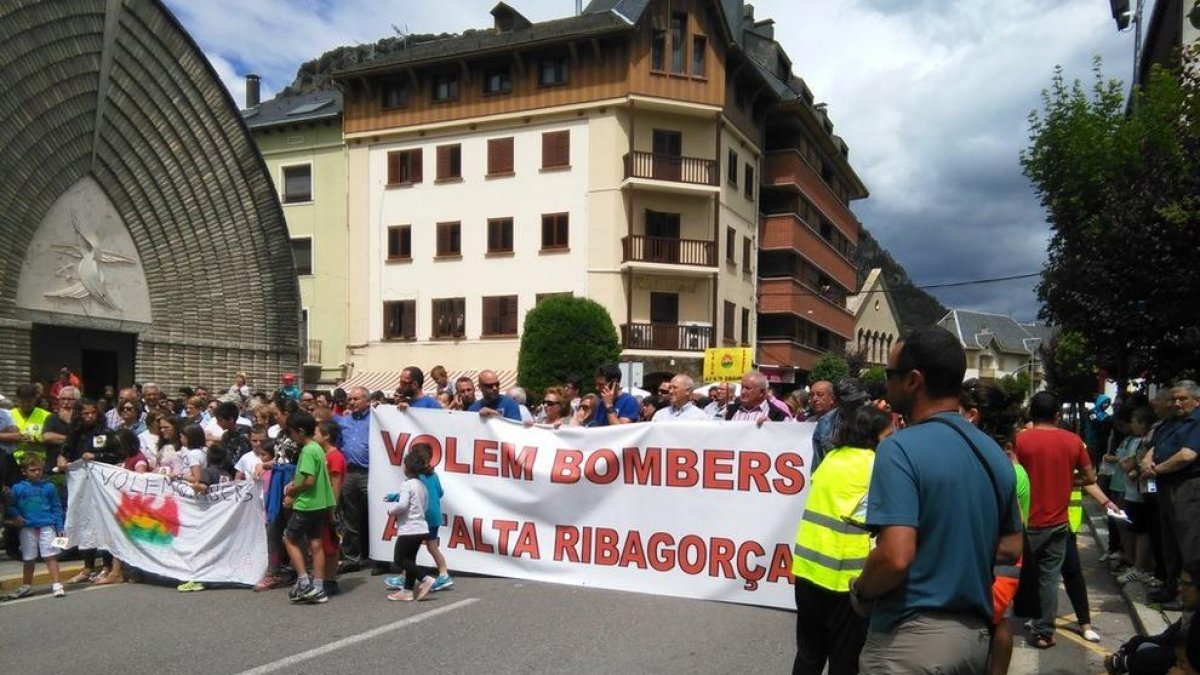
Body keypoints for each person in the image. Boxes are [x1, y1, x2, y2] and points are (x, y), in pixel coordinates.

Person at [851, 326, 1022, 674]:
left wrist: (862, 591)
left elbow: (895, 557)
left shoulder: (899, 448)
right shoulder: (993, 453)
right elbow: (1012, 546)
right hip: (973, 640)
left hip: (911, 643)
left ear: (913, 380)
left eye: (889, 374)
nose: (886, 384)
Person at [792, 405, 893, 675]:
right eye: (887, 435)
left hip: (807, 568)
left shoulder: (831, 458)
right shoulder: (878, 465)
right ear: (873, 436)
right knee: (845, 659)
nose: (891, 441)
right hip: (847, 577)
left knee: (809, 653)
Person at [1015, 390, 1096, 649]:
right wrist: (1070, 480)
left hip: (1026, 523)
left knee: (1017, 575)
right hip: (1059, 523)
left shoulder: (1020, 441)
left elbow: (1011, 475)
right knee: (1049, 578)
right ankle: (1043, 632)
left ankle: (1009, 620)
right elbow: (1091, 477)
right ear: (1058, 416)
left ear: (1030, 414)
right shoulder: (1073, 441)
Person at [1141, 380, 1200, 605]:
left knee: (1189, 543)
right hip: (1167, 487)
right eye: (1174, 399)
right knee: (1169, 542)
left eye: (1182, 399)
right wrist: (1147, 460)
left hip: (1187, 488)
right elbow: (1155, 445)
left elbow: (1187, 455)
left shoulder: (1196, 421)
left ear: (1196, 400)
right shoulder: (1172, 422)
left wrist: (1155, 470)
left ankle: (1191, 598)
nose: (1176, 403)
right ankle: (1171, 587)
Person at [1104, 558, 1200, 675]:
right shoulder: (1191, 610)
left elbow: (1171, 655)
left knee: (1146, 656)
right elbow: (1168, 637)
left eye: (1186, 584)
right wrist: (1125, 652)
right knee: (1141, 643)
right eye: (1180, 582)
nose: (1179, 589)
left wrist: (1124, 662)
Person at [386, 443, 454, 593]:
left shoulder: (415, 479)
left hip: (423, 517)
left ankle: (410, 577)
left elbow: (410, 497)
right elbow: (441, 493)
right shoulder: (434, 476)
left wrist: (395, 497)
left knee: (409, 551)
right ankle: (443, 573)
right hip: (435, 516)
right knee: (431, 547)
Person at [282, 411, 335, 604]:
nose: (291, 437)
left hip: (307, 503)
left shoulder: (307, 451)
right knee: (316, 543)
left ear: (301, 431)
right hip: (321, 503)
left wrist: (292, 492)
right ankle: (319, 586)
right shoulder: (319, 448)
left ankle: (304, 580)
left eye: (292, 433)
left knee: (289, 538)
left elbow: (309, 480)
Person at [4, 455, 65, 599]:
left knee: (50, 556)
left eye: (39, 469)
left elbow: (56, 507)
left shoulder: (48, 487)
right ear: (25, 471)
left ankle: (57, 584)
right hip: (27, 527)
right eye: (32, 470)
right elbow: (11, 505)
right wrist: (16, 515)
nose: (37, 473)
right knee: (29, 557)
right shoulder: (18, 488)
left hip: (46, 526)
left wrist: (60, 527)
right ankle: (26, 585)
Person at [384, 449, 434, 602]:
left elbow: (402, 505)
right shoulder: (422, 486)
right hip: (421, 527)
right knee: (410, 559)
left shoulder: (407, 485)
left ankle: (425, 579)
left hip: (409, 529)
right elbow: (424, 506)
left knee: (399, 559)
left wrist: (391, 510)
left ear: (408, 467)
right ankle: (407, 590)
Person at [337, 386, 375, 573]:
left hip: (370, 473)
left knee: (373, 515)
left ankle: (374, 555)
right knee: (351, 517)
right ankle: (352, 557)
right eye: (350, 399)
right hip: (350, 473)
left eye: (356, 399)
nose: (352, 402)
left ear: (367, 401)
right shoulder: (343, 421)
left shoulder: (377, 420)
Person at [316, 420, 345, 596]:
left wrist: (332, 507)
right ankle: (325, 576)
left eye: (317, 432)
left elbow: (336, 484)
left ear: (327, 436)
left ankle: (330, 579)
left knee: (331, 544)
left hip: (331, 505)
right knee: (324, 542)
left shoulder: (335, 457)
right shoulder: (323, 454)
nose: (314, 435)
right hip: (322, 503)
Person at [726, 371, 790, 424]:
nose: (742, 392)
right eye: (742, 387)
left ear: (761, 392)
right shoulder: (731, 410)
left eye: (748, 388)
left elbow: (788, 437)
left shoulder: (779, 416)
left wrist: (772, 427)